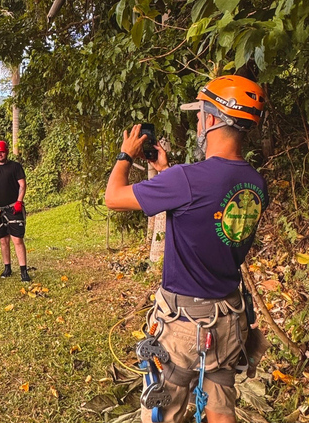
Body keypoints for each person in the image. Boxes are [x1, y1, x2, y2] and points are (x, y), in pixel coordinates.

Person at [104, 75, 269, 423]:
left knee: (164, 409)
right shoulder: (254, 183)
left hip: (184, 326)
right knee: (221, 399)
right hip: (229, 319)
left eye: (198, 114)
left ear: (211, 120)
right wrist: (164, 171)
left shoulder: (187, 180)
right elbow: (206, 213)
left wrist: (126, 154)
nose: (197, 121)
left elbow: (113, 197)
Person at [0, 140, 30, 282]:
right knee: (3, 239)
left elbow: (22, 185)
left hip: (13, 207)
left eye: (2, 152)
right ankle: (7, 267)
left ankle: (23, 270)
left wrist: (19, 201)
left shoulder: (15, 166)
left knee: (17, 239)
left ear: (6, 152)